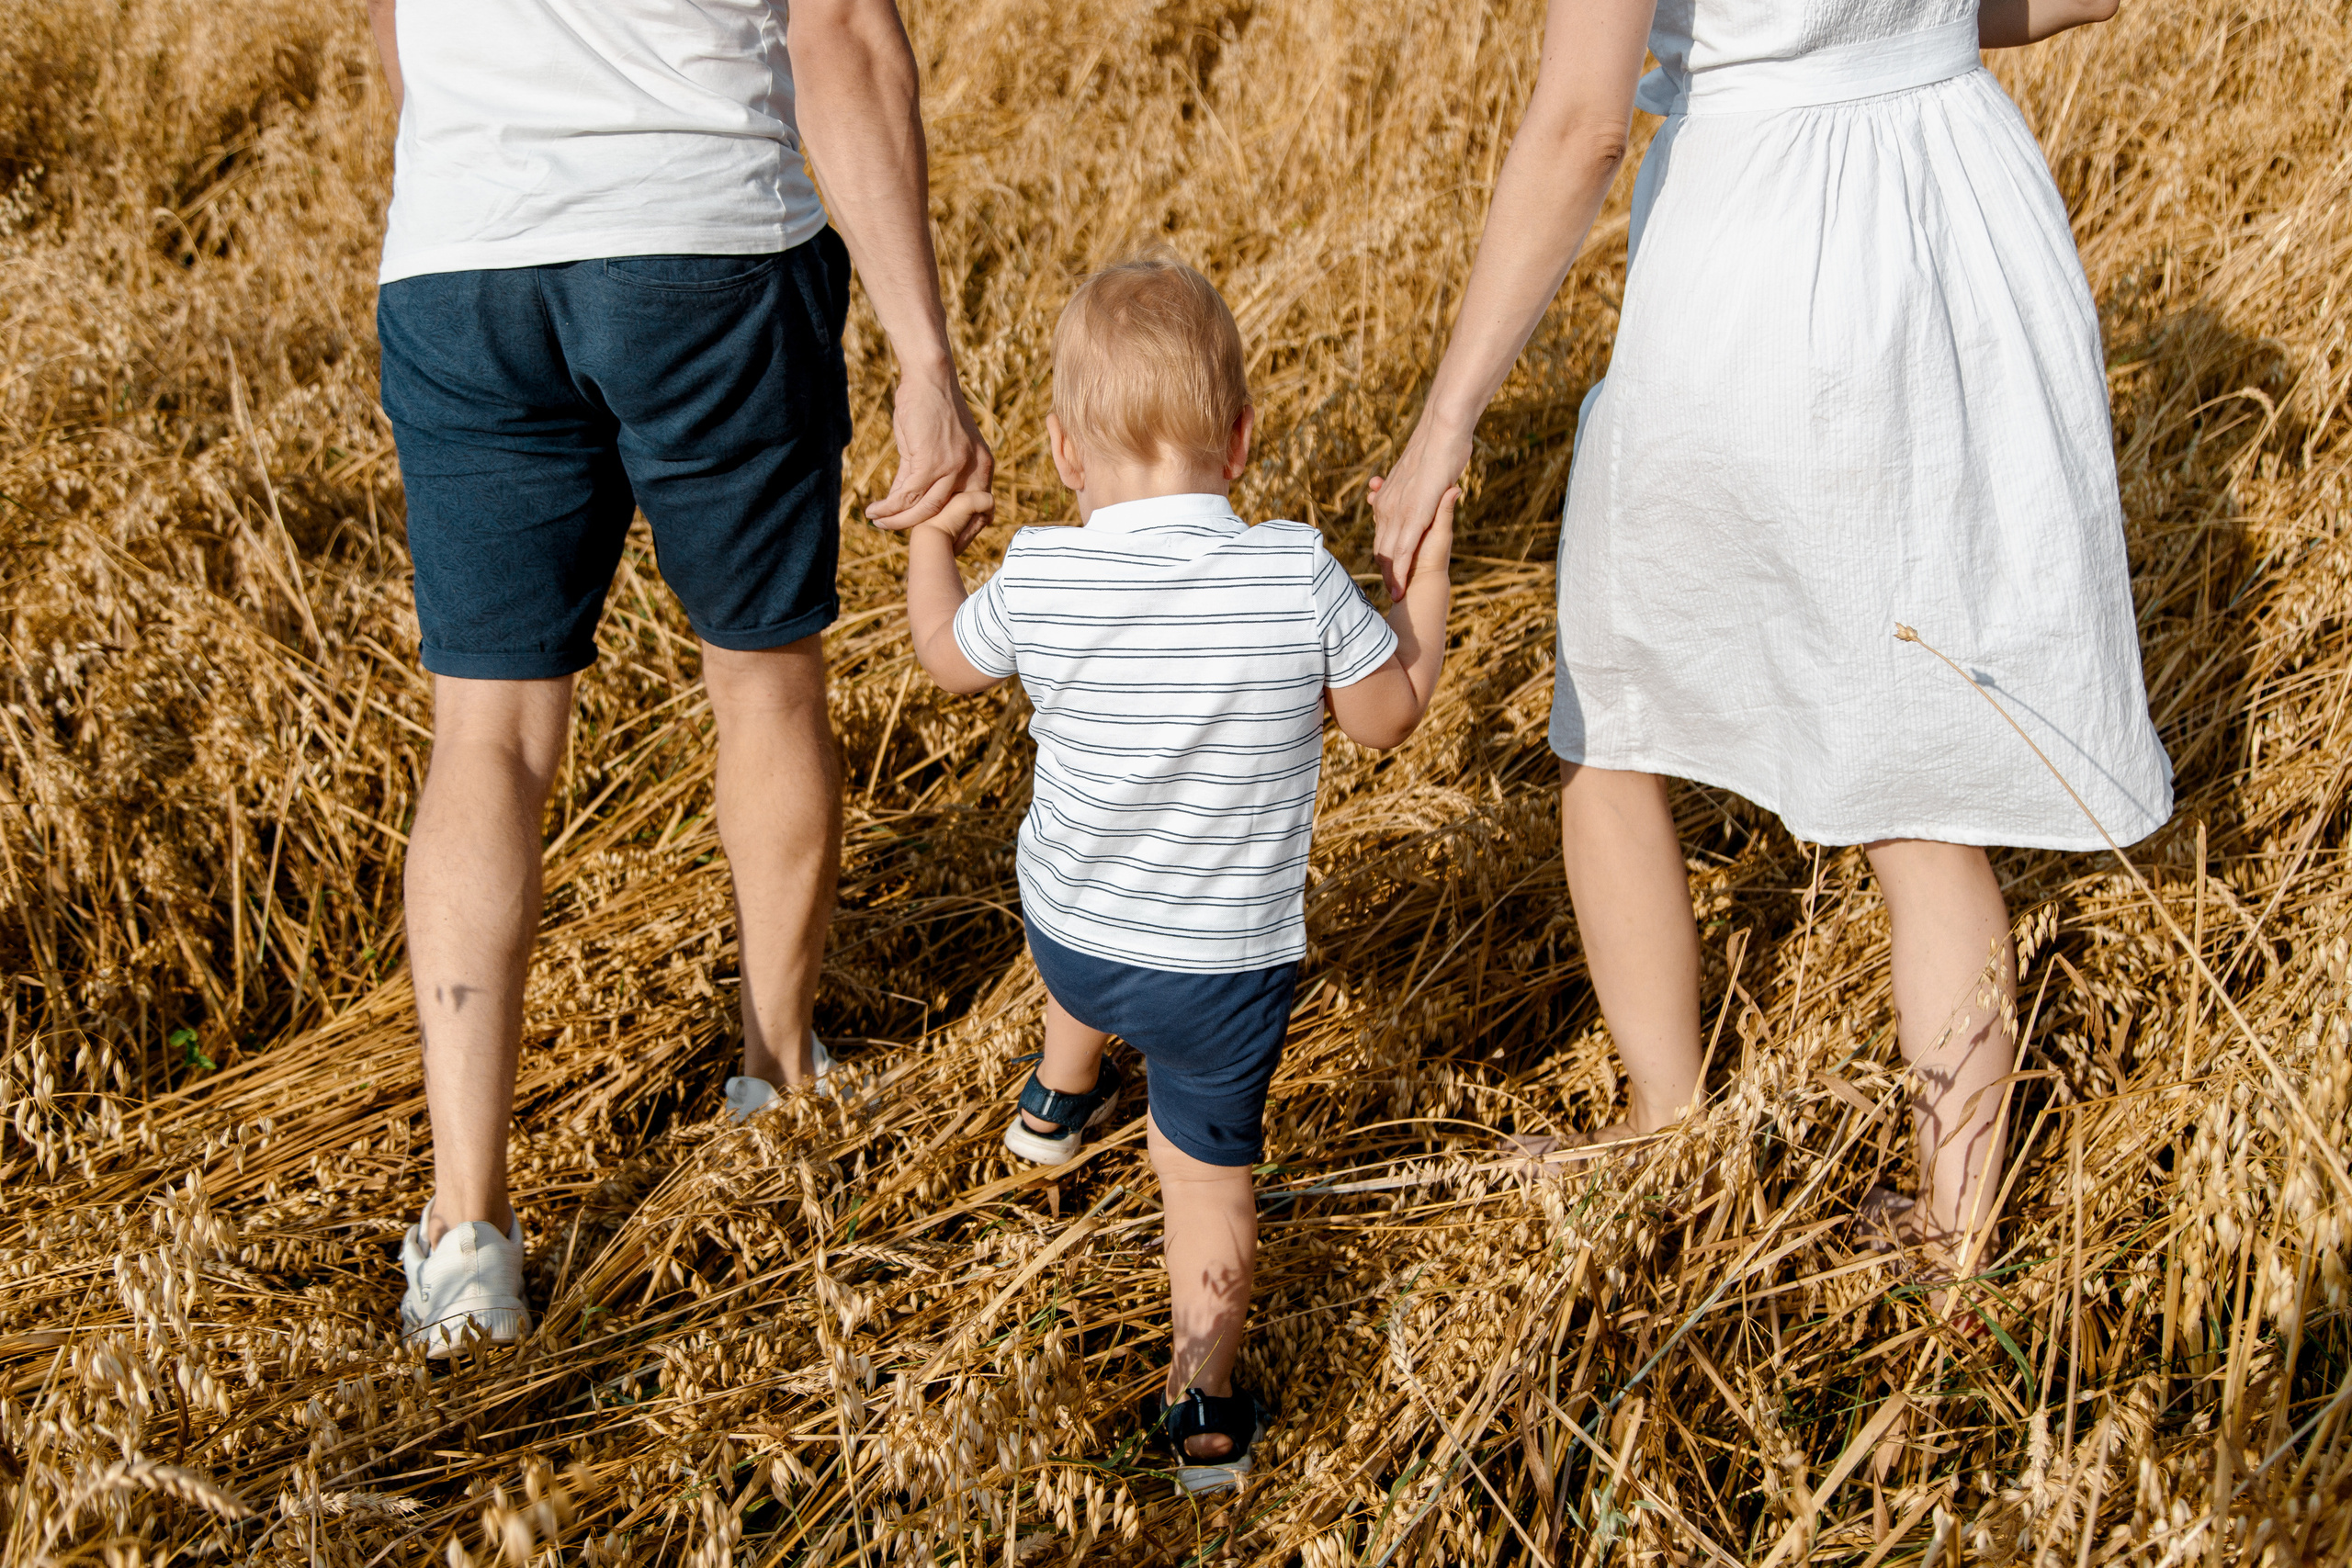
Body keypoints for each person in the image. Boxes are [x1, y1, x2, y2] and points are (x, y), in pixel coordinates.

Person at [1369, 0, 2170, 1303]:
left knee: (1616, 712)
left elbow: (1580, 126)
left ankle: (1667, 1113)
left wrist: (1448, 414)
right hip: (1965, 230)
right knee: (1922, 775)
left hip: (1759, 265)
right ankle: (1956, 1231)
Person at [367, 0, 995, 1354]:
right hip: (704, 238)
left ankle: (468, 1233)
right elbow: (839, 33)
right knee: (764, 687)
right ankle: (776, 1080)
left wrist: (476, 166)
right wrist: (924, 359)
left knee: (485, 735)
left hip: (460, 257)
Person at [900, 257, 1453, 1489]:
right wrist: (1426, 576)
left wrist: (936, 540)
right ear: (1243, 441)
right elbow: (1389, 717)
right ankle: (1204, 1402)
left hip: (1074, 935)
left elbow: (944, 657)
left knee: (1092, 882)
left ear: (1060, 449)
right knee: (1205, 1184)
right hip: (1222, 977)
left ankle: (1054, 1104)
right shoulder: (1295, 569)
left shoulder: (1041, 567)